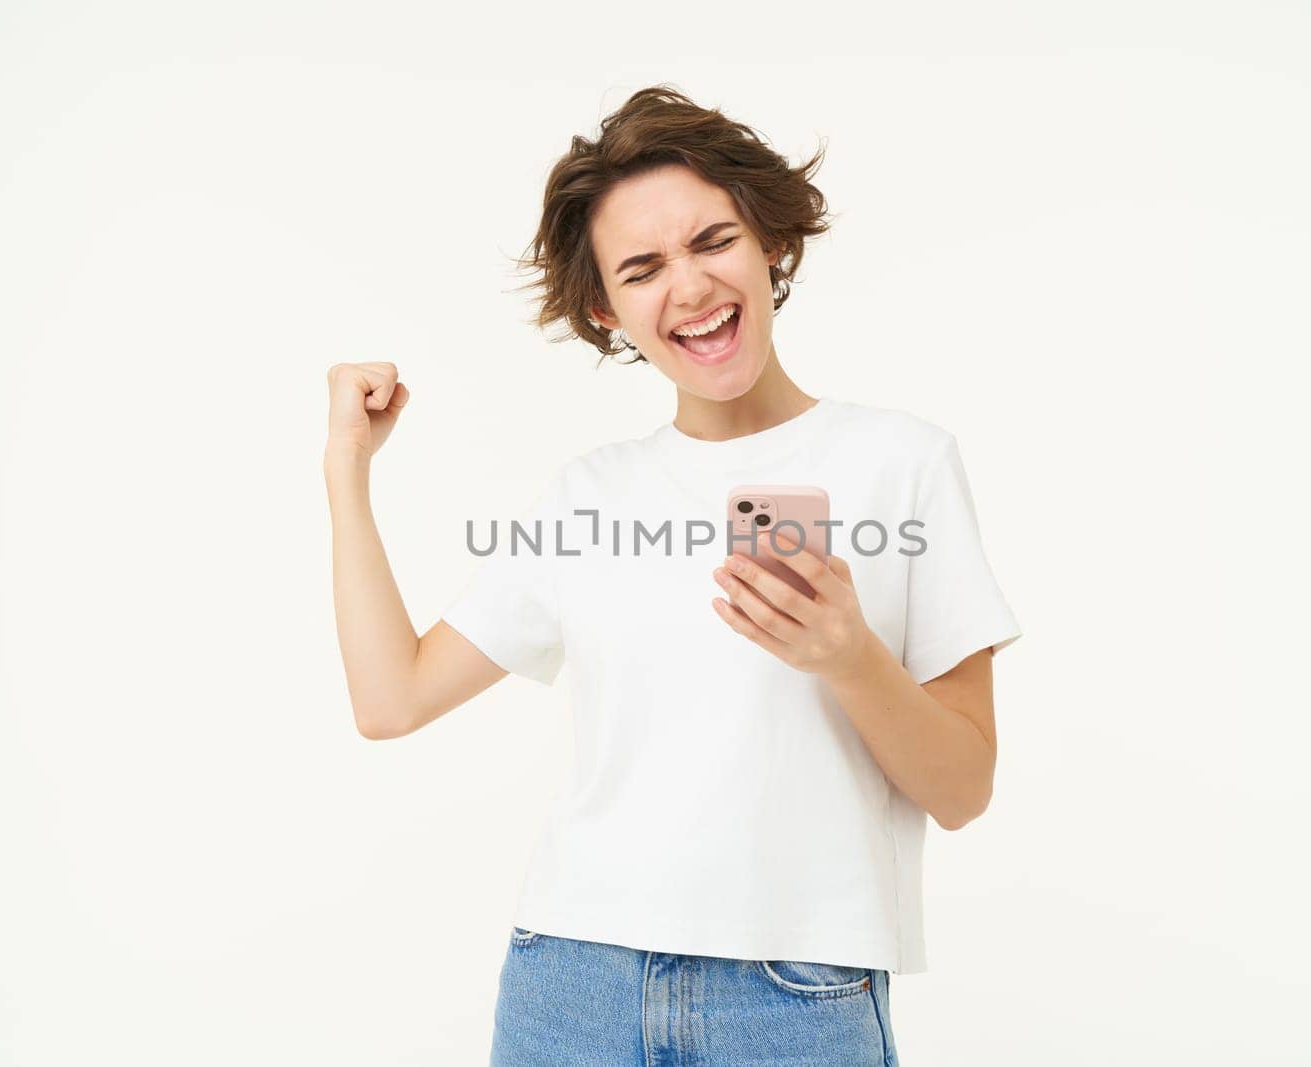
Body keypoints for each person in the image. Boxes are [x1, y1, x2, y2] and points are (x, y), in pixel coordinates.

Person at [323, 85, 1022, 1066]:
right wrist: (345, 468)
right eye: (642, 268)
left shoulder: (900, 460)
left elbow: (962, 787)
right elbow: (390, 699)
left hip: (795, 997)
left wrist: (850, 657)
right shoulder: (589, 494)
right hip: (570, 981)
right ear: (607, 308)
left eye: (712, 240)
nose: (687, 287)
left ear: (770, 242)